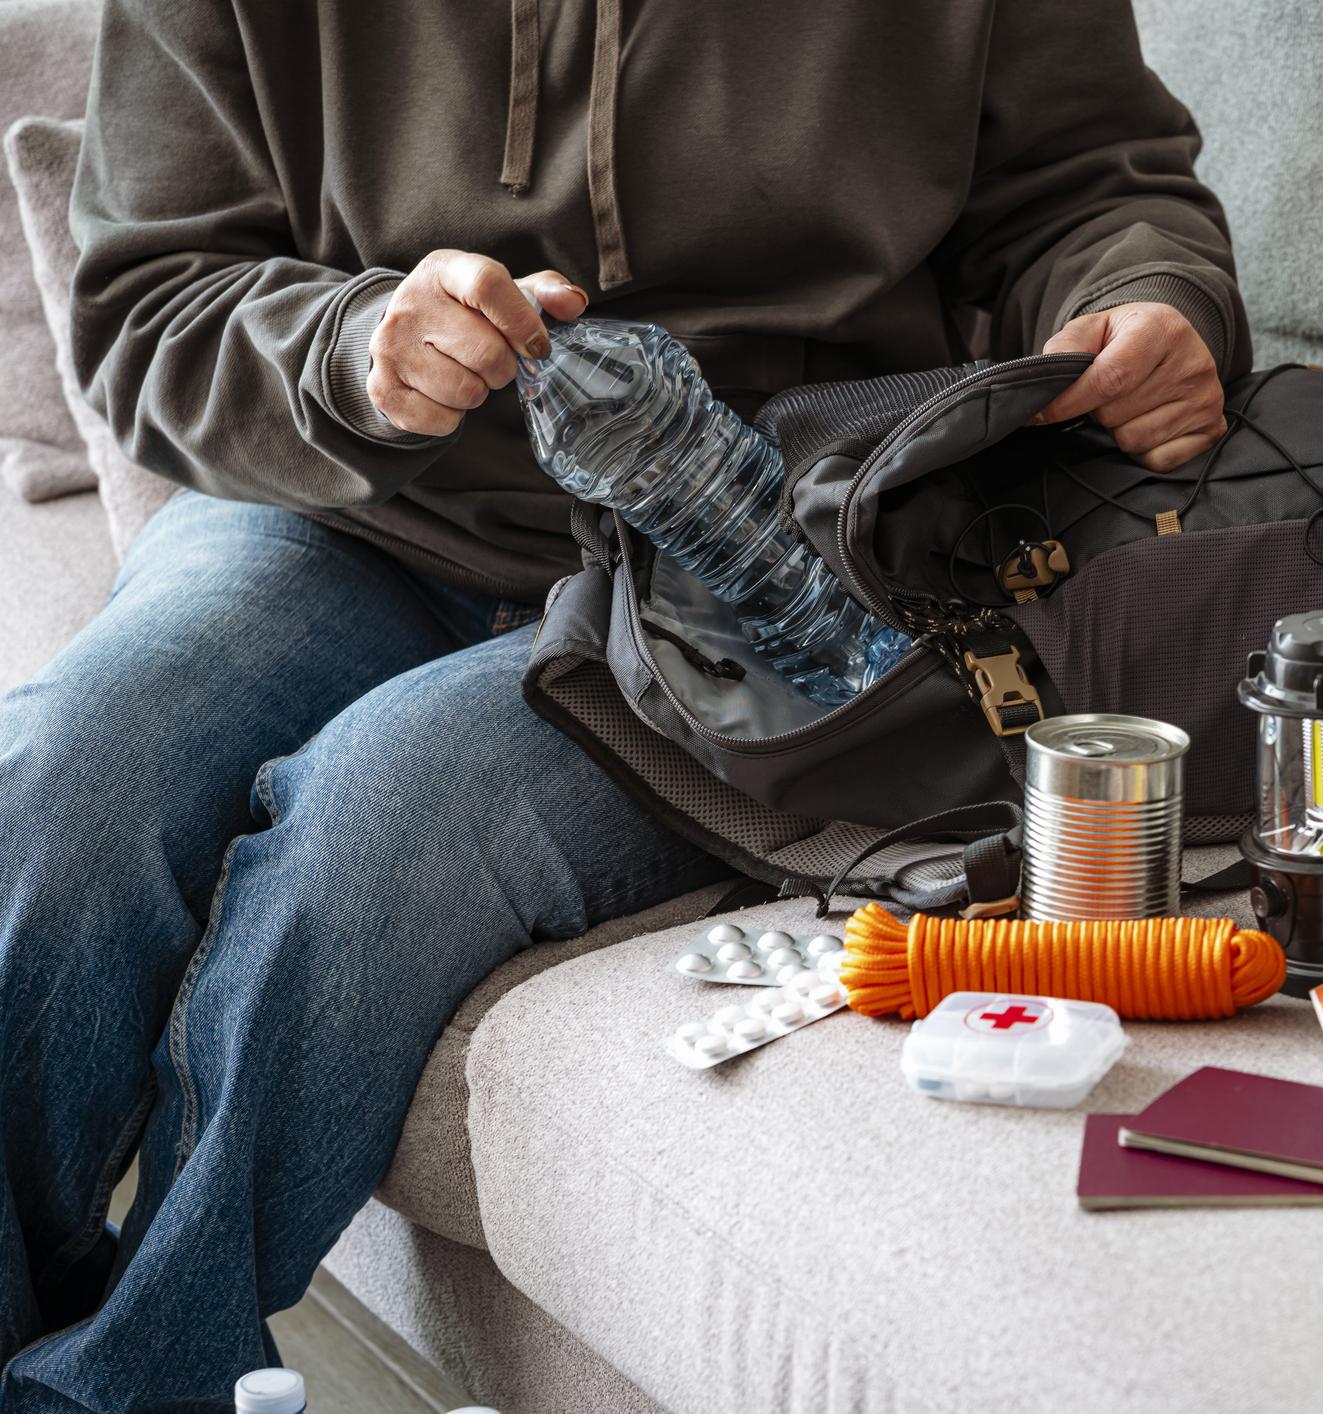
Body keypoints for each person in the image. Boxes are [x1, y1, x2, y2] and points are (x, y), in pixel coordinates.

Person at [0, 0, 1248, 1407]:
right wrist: (350, 349)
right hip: (344, 511)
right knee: (62, 784)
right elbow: (146, 296)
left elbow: (1089, 184)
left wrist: (1154, 298)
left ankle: (120, 1387)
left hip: (765, 550)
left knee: (376, 828)